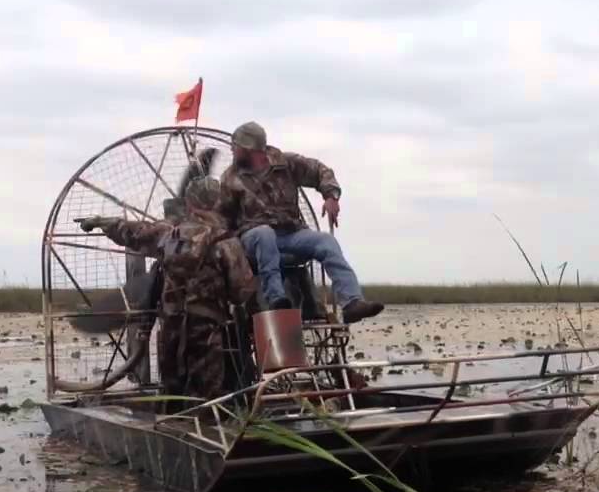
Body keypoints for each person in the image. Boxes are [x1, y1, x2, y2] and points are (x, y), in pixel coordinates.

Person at [80, 176, 256, 400]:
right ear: (218, 202)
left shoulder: (167, 234)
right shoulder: (226, 241)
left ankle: (172, 425)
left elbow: (131, 232)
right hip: (207, 332)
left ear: (189, 204)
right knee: (207, 397)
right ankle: (206, 428)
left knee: (172, 393)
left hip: (171, 331)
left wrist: (99, 222)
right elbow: (243, 290)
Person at [219, 121, 384, 324]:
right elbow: (223, 218)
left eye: (235, 146)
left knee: (325, 241)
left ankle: (351, 302)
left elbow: (320, 171)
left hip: (291, 234)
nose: (232, 150)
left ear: (248, 147)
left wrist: (331, 196)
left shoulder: (286, 164)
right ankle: (276, 299)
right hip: (252, 238)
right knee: (264, 234)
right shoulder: (230, 178)